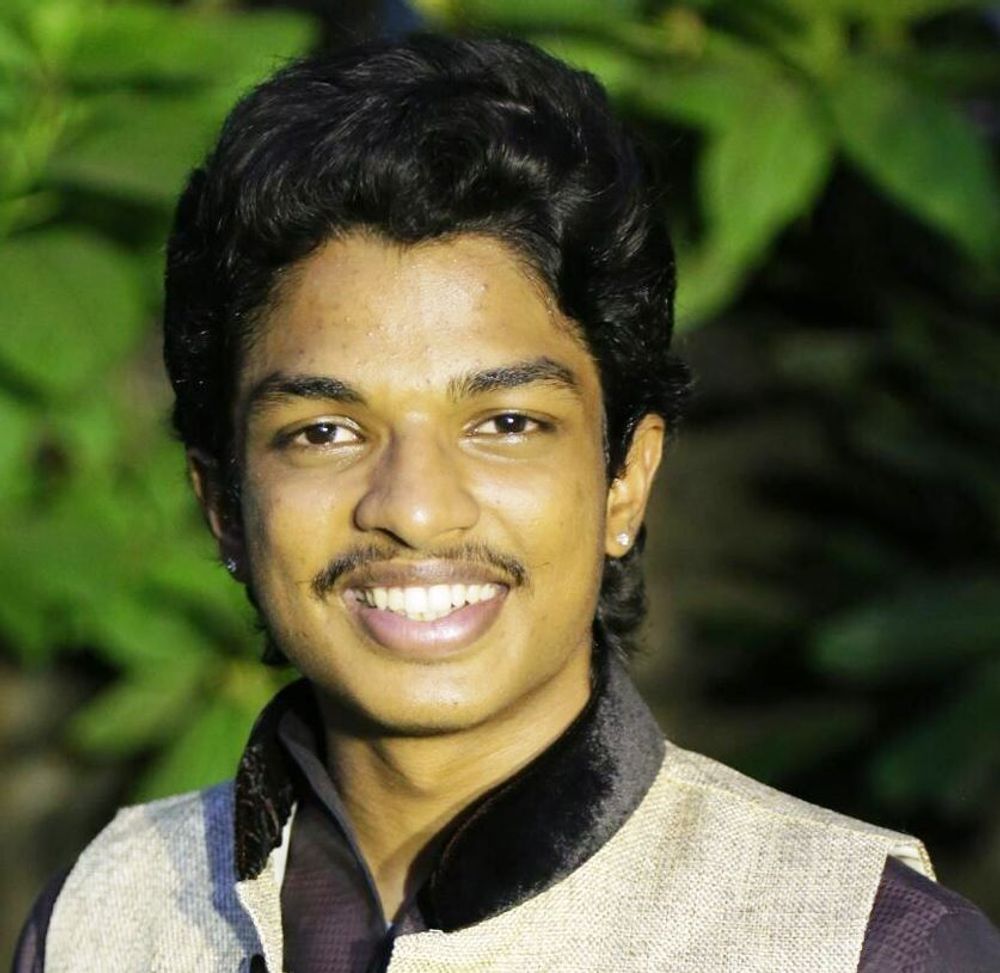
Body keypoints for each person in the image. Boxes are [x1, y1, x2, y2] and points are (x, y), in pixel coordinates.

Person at [13, 34, 1000, 973]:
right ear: (223, 503)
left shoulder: (854, 944)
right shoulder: (108, 918)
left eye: (506, 422)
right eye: (326, 431)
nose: (416, 509)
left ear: (625, 479)